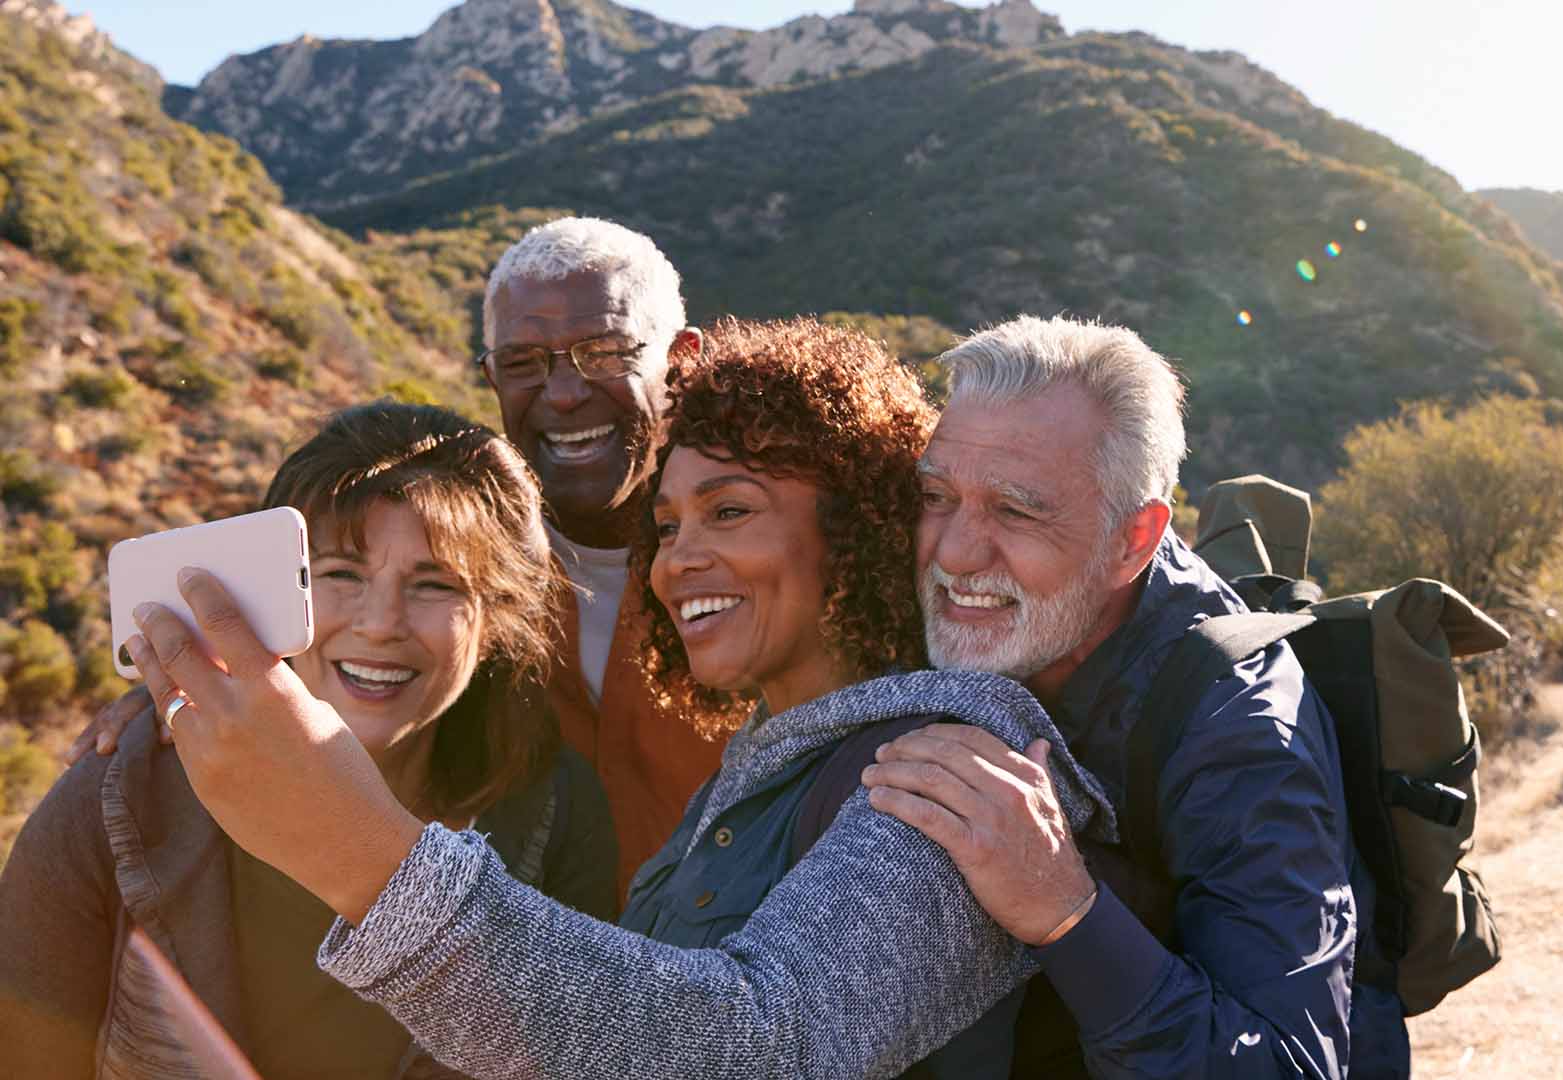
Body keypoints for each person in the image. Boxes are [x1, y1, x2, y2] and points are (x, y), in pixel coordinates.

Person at [114, 317, 1120, 1079]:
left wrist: (362, 855)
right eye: (667, 523)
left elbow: (764, 1047)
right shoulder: (766, 773)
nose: (680, 560)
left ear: (856, 528)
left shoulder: (958, 751)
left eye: (729, 511)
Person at [70, 217, 732, 886]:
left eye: (605, 352)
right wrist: (180, 695)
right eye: (523, 365)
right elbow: (303, 663)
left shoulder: (768, 561)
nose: (563, 393)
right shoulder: (457, 555)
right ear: (491, 377)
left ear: (682, 361)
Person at [0, 401, 619, 1078]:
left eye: (434, 584)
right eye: (341, 575)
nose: (381, 623)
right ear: (272, 596)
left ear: (497, 618)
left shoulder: (553, 813)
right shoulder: (122, 790)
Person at [862, 315, 1411, 1077]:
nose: (953, 551)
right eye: (936, 496)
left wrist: (1065, 912)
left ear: (1133, 540)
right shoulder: (1000, 614)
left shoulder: (1241, 731)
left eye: (1017, 510)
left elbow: (1294, 1062)